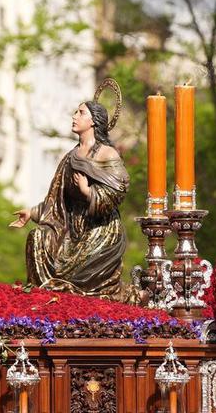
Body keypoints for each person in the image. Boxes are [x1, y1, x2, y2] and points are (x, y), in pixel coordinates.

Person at [13, 89, 131, 299]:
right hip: (70, 226)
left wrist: (89, 192)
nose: (74, 116)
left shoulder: (107, 153)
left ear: (94, 121)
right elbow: (58, 199)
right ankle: (43, 298)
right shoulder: (70, 156)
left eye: (80, 112)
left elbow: (120, 187)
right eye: (75, 112)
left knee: (85, 258)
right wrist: (32, 212)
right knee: (37, 237)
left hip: (99, 227)